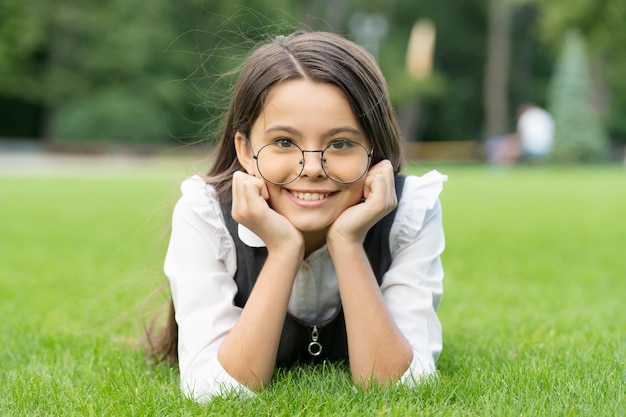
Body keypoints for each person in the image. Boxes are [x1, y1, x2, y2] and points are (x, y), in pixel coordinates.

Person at [147, 31, 447, 403]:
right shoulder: (204, 212)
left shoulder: (411, 211)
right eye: (284, 142)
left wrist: (347, 243)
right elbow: (214, 392)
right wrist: (284, 248)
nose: (313, 169)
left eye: (340, 143)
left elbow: (398, 387)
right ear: (245, 149)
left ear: (374, 152)